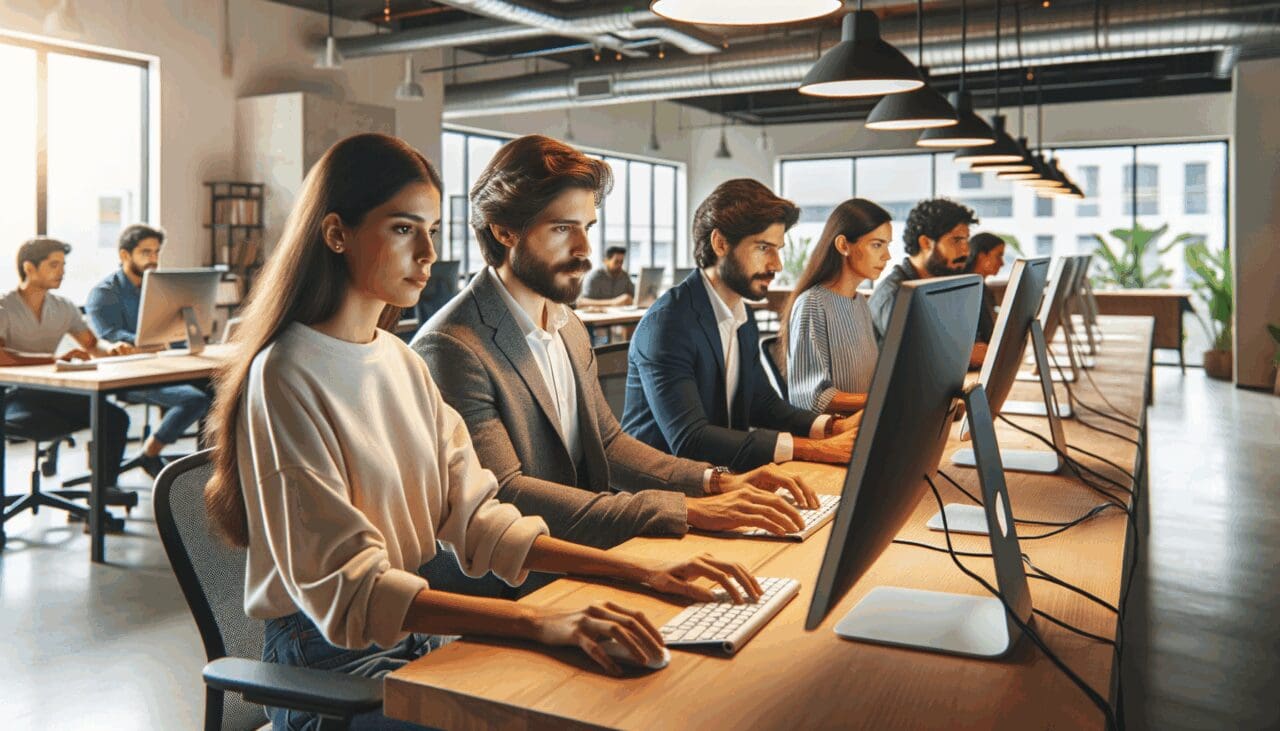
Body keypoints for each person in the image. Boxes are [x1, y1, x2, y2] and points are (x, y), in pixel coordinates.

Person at [203, 133, 765, 731]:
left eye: (432, 230)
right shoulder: (287, 374)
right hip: (331, 673)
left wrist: (642, 573)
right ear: (337, 233)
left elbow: (481, 519)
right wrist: (537, 623)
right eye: (402, 229)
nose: (426, 253)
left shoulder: (401, 361)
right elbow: (354, 592)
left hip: (420, 637)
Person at [412, 135, 815, 558]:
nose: (586, 250)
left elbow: (608, 444)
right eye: (563, 228)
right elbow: (509, 495)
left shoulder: (567, 324)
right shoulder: (452, 347)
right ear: (504, 230)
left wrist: (716, 481)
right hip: (517, 586)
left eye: (587, 228)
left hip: (588, 552)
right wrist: (688, 511)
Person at [621, 179, 860, 473]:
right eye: (763, 248)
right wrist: (817, 450)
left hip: (723, 481)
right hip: (663, 497)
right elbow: (690, 440)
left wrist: (832, 427)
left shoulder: (741, 314)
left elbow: (761, 403)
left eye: (778, 249)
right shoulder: (667, 325)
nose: (777, 264)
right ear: (720, 243)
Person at [0, 238, 133, 500]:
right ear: (29, 268)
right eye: (54, 265)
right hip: (14, 395)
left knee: (114, 418)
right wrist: (54, 359)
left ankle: (99, 501)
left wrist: (114, 348)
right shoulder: (5, 306)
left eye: (63, 264)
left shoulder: (63, 307)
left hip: (54, 393)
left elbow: (93, 345)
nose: (62, 271)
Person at [85, 224, 211, 476]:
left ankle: (209, 473)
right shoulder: (104, 293)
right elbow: (110, 337)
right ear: (124, 255)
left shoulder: (159, 288)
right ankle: (150, 452)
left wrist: (187, 329)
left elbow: (170, 335)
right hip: (127, 374)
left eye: (156, 252)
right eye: (146, 252)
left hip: (163, 366)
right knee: (194, 399)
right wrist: (147, 342)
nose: (153, 259)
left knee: (220, 390)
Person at [781, 199, 892, 415]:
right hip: (837, 436)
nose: (887, 256)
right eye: (877, 245)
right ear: (843, 245)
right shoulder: (812, 304)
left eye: (887, 245)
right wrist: (881, 401)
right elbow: (813, 398)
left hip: (866, 425)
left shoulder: (861, 303)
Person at [867, 198, 986, 368]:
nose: (966, 251)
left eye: (966, 240)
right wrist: (965, 354)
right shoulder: (893, 294)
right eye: (956, 240)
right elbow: (916, 356)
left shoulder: (938, 287)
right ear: (925, 243)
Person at [964, 232, 1007, 348]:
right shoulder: (967, 291)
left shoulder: (983, 288)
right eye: (999, 256)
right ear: (982, 256)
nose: (1002, 263)